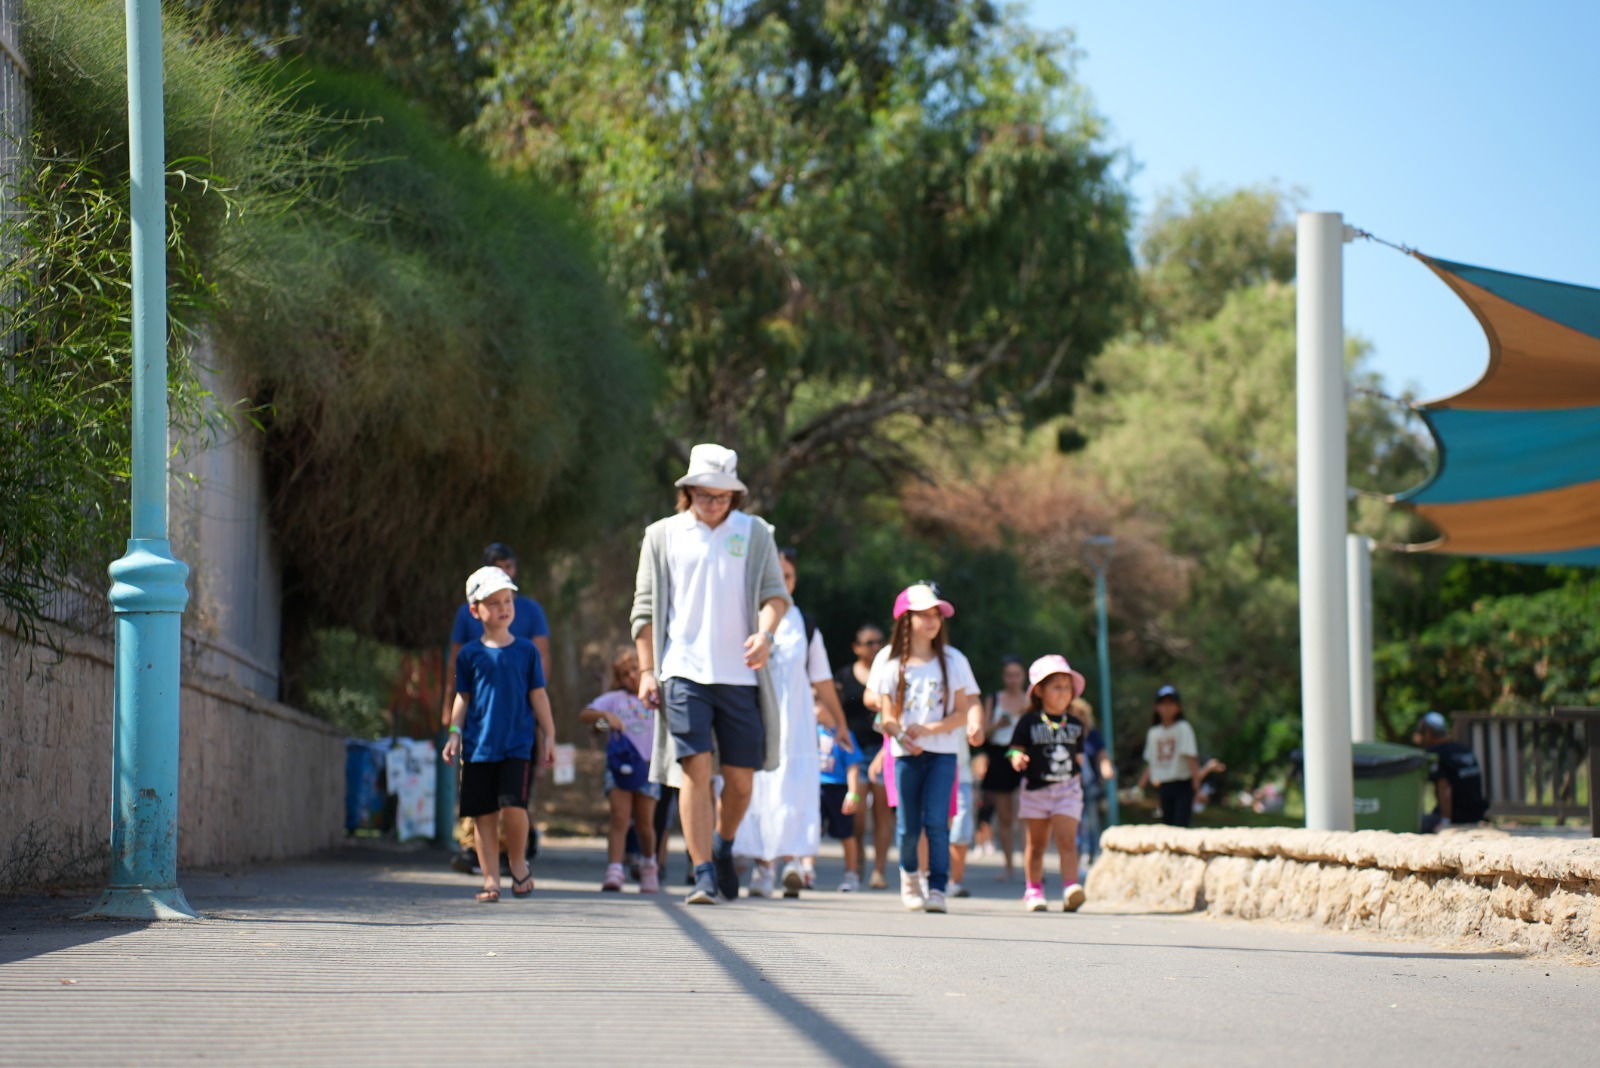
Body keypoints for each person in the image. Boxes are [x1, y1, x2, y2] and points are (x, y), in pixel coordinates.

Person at [631, 443, 791, 905]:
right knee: (694, 770)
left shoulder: (756, 533)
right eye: (705, 495)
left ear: (735, 497)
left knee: (741, 781)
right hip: (683, 671)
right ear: (689, 491)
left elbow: (775, 594)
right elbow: (643, 612)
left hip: (741, 675)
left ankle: (722, 844)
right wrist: (647, 670)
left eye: (722, 496)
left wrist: (765, 633)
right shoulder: (662, 535)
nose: (713, 504)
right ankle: (702, 872)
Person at [734, 547, 847, 898]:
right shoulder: (745, 616)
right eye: (777, 576)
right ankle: (761, 867)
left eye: (789, 577)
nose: (783, 583)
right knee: (758, 788)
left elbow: (822, 678)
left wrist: (840, 723)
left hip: (796, 721)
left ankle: (793, 863)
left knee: (794, 788)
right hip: (755, 715)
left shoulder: (804, 623)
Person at [867, 582, 984, 914]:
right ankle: (909, 878)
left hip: (943, 754)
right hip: (905, 756)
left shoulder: (953, 660)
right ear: (907, 619)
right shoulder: (891, 664)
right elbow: (887, 716)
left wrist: (932, 729)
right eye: (924, 614)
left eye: (936, 615)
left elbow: (962, 712)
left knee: (936, 822)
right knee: (907, 825)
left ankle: (937, 887)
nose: (932, 621)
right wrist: (903, 736)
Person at [441, 566, 556, 902]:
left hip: (517, 746)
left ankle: (518, 863)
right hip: (478, 748)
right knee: (483, 815)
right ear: (475, 611)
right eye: (493, 602)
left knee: (514, 808)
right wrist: (453, 733)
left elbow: (538, 695)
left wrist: (549, 735)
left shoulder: (526, 651)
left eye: (508, 600)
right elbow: (463, 697)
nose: (504, 608)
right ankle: (491, 879)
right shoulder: (469, 655)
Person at [1008, 655, 1090, 912]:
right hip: (1036, 791)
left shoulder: (1076, 724)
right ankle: (1033, 889)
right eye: (1056, 686)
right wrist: (1017, 757)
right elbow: (1013, 749)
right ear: (1040, 691)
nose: (1063, 692)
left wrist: (1081, 771)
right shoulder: (1029, 722)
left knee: (1067, 840)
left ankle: (1070, 887)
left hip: (1067, 789)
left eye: (1067, 687)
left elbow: (1079, 755)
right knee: (1038, 843)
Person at [579, 648, 661, 893]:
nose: (631, 677)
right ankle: (615, 868)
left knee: (645, 823)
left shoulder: (656, 698)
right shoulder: (615, 700)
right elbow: (585, 714)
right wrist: (606, 718)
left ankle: (649, 865)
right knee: (619, 818)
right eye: (625, 674)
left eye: (635, 670)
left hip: (648, 766)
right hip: (619, 767)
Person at [836, 624, 891, 891]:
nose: (875, 647)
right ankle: (856, 866)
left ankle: (879, 870)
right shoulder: (844, 677)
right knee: (856, 814)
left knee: (882, 812)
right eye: (869, 642)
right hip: (852, 753)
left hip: (882, 748)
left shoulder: (889, 674)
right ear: (856, 647)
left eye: (879, 642)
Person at [1137, 685, 1224, 827]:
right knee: (1167, 825)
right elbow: (1151, 763)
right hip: (1164, 785)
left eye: (1171, 704)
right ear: (1156, 707)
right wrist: (1139, 787)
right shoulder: (1153, 733)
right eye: (1163, 704)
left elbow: (1191, 759)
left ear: (1178, 707)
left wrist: (1197, 788)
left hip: (1183, 785)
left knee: (1181, 825)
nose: (1167, 708)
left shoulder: (1183, 728)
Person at [980, 656, 1028, 881]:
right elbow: (981, 733)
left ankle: (1031, 867)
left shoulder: (1030, 701)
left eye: (1017, 675)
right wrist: (997, 725)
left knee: (1027, 815)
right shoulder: (994, 699)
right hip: (1000, 757)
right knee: (1005, 816)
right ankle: (1009, 866)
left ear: (1024, 676)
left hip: (1025, 757)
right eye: (1009, 675)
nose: (1013, 680)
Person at [1414, 711, 1488, 832]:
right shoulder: (1463, 749)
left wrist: (1445, 821)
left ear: (1428, 732)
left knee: (1417, 824)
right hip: (1477, 815)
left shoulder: (1436, 753)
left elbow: (1444, 788)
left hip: (1456, 817)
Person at [816, 722, 866, 890]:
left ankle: (851, 874)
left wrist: (853, 792)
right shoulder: (809, 731)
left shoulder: (844, 734)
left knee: (846, 833)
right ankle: (805, 870)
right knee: (811, 830)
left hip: (838, 788)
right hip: (814, 787)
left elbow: (853, 765)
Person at [1072, 696, 1115, 866]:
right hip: (1069, 784)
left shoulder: (1093, 736)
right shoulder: (1064, 734)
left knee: (1090, 820)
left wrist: (1106, 768)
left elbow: (1102, 755)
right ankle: (1075, 856)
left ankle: (1091, 853)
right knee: (1073, 821)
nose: (1078, 717)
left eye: (1081, 714)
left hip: (1089, 785)